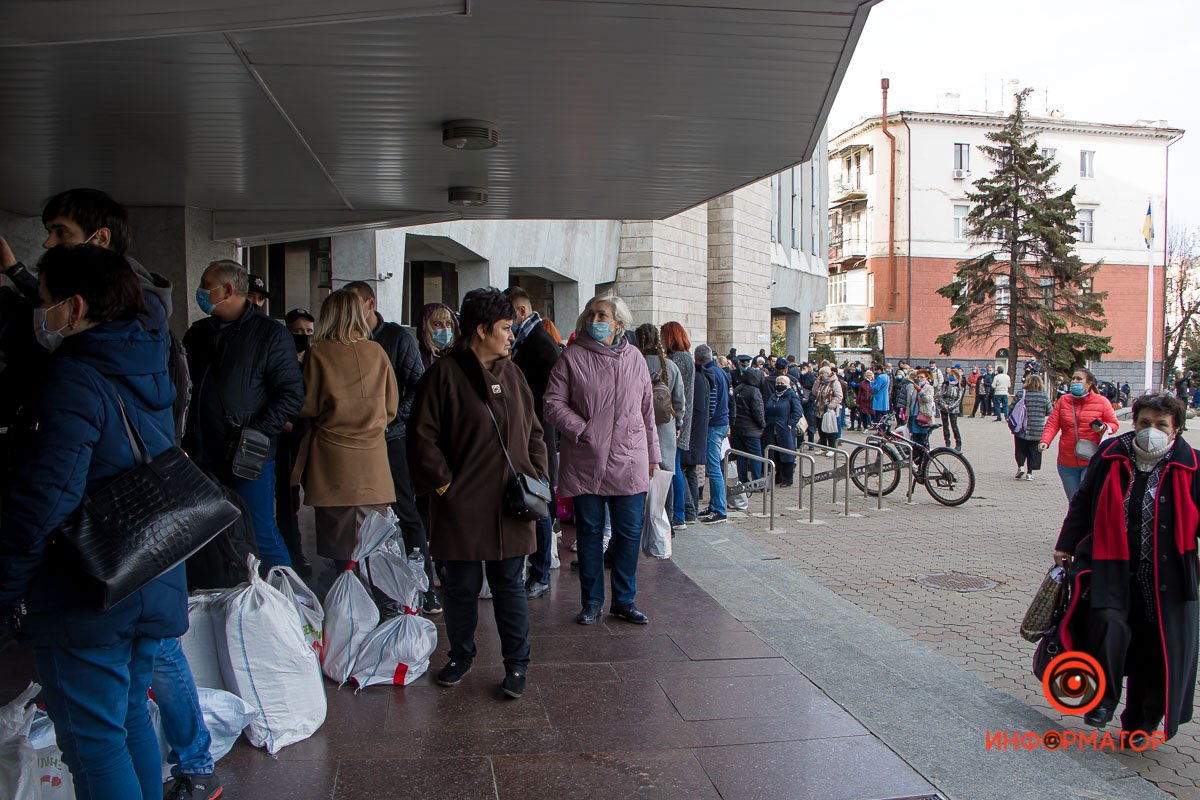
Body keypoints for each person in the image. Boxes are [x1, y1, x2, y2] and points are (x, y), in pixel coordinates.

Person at [0, 246, 196, 799]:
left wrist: (9, 583)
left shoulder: (74, 378)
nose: (40, 314)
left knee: (94, 742)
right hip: (146, 569)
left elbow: (48, 495)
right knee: (129, 715)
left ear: (75, 307)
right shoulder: (144, 355)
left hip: (87, 586)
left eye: (44, 301)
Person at [409, 288, 547, 698]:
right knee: (461, 588)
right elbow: (421, 439)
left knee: (509, 586)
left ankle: (517, 665)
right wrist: (445, 484)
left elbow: (535, 431)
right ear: (482, 330)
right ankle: (461, 655)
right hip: (462, 506)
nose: (511, 335)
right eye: (505, 328)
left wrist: (536, 474)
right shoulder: (443, 375)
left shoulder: (514, 373)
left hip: (511, 505)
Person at [1052, 394, 1199, 742]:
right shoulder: (1111, 454)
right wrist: (1066, 543)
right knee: (1107, 625)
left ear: (1175, 428)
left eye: (1161, 424)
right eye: (1145, 423)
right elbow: (1084, 499)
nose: (1152, 431)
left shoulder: (1191, 464)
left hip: (1168, 574)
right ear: (1135, 423)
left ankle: (1141, 723)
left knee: (1155, 648)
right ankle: (1102, 701)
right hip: (1110, 564)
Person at [0, 188, 187, 442]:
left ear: (100, 238)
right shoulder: (121, 298)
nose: (48, 243)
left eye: (61, 232)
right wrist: (15, 271)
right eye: (48, 232)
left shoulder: (137, 309)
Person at [182, 259, 304, 572]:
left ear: (227, 290)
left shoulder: (271, 335)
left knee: (260, 534)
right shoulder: (198, 334)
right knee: (206, 537)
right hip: (200, 455)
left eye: (206, 284)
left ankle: (292, 610)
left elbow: (291, 394)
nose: (200, 291)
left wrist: (256, 434)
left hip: (248, 458)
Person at [544, 294, 658, 625]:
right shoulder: (572, 358)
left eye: (602, 315)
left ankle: (624, 599)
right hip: (586, 459)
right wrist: (582, 428)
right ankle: (591, 601)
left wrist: (653, 454)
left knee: (628, 533)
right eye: (591, 314)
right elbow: (552, 403)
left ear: (618, 323)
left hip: (630, 458)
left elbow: (647, 410)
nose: (595, 320)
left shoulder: (635, 358)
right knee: (590, 534)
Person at [344, 281, 439, 613]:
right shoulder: (347, 340)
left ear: (370, 303)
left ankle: (425, 586)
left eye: (354, 303)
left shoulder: (397, 338)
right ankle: (372, 590)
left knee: (405, 510)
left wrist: (391, 415)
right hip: (357, 443)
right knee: (361, 514)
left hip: (391, 437)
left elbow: (418, 385)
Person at [293, 289, 398, 581]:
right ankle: (377, 606)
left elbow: (309, 405)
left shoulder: (319, 353)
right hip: (374, 463)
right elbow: (391, 407)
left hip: (333, 461)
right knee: (373, 544)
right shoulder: (377, 352)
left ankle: (348, 611)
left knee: (342, 551)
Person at [503, 286, 561, 601]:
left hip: (536, 434)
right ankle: (535, 569)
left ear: (521, 312)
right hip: (530, 432)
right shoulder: (529, 341)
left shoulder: (540, 343)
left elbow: (548, 396)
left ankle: (539, 573)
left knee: (538, 500)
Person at [275, 307, 317, 576]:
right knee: (287, 499)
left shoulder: (316, 358)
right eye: (298, 331)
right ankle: (294, 553)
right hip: (283, 437)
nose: (303, 336)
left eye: (308, 332)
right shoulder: (278, 357)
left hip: (311, 436)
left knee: (317, 494)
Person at [636, 323, 685, 537]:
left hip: (638, 428)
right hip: (665, 428)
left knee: (639, 477)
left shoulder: (634, 363)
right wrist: (678, 424)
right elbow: (680, 401)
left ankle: (638, 520)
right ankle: (668, 521)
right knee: (666, 475)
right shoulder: (670, 367)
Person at [1040, 367, 1119, 499]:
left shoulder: (1102, 402)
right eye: (1073, 379)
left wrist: (1103, 427)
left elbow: (1114, 424)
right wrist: (1045, 441)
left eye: (1079, 379)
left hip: (1090, 459)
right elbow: (1052, 423)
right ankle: (1077, 519)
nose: (1075, 382)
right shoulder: (1063, 401)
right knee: (1074, 500)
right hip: (1067, 460)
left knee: (1085, 499)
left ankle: (1088, 519)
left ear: (1089, 384)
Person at [662, 322, 695, 530]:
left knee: (673, 468)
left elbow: (674, 394)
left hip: (676, 422)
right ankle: (683, 513)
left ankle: (679, 515)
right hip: (679, 421)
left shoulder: (678, 360)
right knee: (675, 468)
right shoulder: (684, 358)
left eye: (663, 336)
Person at [697, 344, 733, 524]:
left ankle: (720, 509)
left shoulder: (710, 374)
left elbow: (711, 405)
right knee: (714, 467)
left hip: (714, 424)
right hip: (721, 422)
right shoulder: (721, 372)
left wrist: (704, 423)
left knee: (713, 468)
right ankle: (714, 505)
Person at [680, 354, 712, 522]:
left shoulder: (697, 380)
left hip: (691, 432)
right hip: (696, 432)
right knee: (690, 470)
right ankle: (692, 509)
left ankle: (690, 510)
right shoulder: (703, 378)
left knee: (684, 470)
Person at [764, 375, 803, 486]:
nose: (779, 385)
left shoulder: (791, 396)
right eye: (778, 383)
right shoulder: (773, 396)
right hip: (772, 429)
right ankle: (778, 477)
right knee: (774, 454)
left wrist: (790, 424)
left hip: (785, 430)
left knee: (787, 455)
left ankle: (787, 479)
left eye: (782, 383)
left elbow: (798, 412)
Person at [1013, 373, 1051, 481]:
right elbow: (1050, 411)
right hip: (1037, 429)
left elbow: (1012, 407)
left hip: (1021, 427)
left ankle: (1020, 467)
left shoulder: (1021, 394)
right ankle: (1029, 473)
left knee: (1020, 448)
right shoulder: (1044, 396)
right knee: (1033, 451)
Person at [730, 366, 765, 480]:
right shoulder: (755, 391)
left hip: (737, 428)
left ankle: (743, 479)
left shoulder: (737, 389)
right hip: (751, 430)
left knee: (741, 455)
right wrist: (762, 424)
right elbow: (757, 411)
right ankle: (757, 480)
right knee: (756, 455)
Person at [907, 369, 936, 471]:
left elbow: (928, 399)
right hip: (914, 416)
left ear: (926, 378)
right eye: (918, 377)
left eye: (922, 377)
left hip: (923, 416)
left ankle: (925, 460)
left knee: (923, 440)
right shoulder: (913, 388)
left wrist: (920, 390)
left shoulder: (929, 388)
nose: (919, 379)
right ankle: (916, 459)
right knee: (915, 440)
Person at [416, 301, 458, 369]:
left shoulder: (458, 357)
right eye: (437, 324)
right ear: (425, 328)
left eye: (448, 323)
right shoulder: (418, 360)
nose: (445, 328)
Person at [812, 366, 843, 451]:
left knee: (830, 429)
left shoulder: (835, 383)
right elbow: (814, 392)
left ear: (828, 373)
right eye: (820, 374)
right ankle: (823, 447)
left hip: (829, 410)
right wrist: (817, 382)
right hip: (820, 410)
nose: (821, 375)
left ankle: (832, 448)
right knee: (821, 429)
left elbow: (839, 396)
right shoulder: (821, 383)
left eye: (823, 373)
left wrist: (831, 405)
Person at [936, 368, 964, 450]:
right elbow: (939, 395)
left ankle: (958, 443)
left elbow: (959, 399)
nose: (951, 377)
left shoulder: (959, 386)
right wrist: (944, 405)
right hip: (944, 407)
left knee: (954, 425)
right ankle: (947, 442)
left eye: (953, 375)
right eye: (950, 375)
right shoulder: (945, 385)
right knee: (945, 425)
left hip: (953, 409)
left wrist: (951, 407)